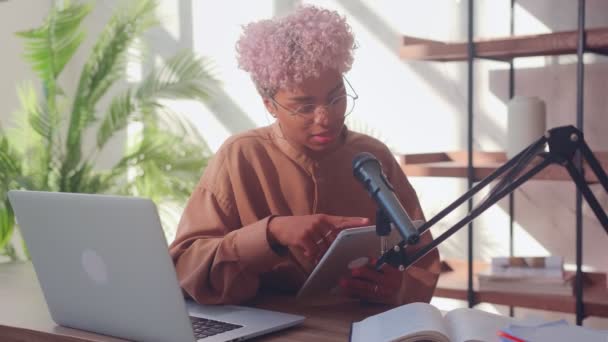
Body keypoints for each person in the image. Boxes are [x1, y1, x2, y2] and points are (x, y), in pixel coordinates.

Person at [169, 5, 440, 306]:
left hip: (359, 329)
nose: (325, 118)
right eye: (304, 107)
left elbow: (422, 259)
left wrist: (398, 287)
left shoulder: (373, 157)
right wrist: (271, 233)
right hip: (268, 330)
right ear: (269, 105)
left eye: (336, 98)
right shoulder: (241, 157)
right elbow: (183, 267)